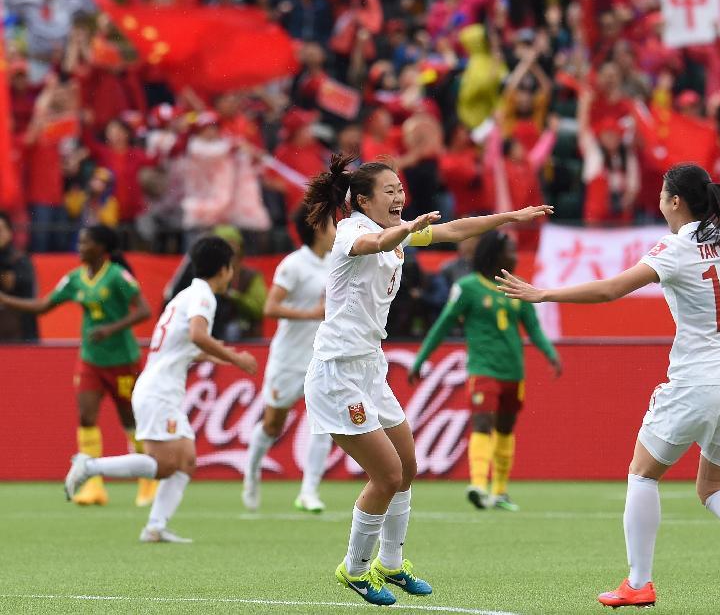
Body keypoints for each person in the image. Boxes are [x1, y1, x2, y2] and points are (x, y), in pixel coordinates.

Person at [497, 164, 720, 613]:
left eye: (662, 195)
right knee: (714, 487)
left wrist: (545, 294)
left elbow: (611, 290)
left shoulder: (675, 247)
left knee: (643, 473)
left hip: (696, 382)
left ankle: (639, 583)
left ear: (675, 202)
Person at [302, 153, 552, 606]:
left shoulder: (399, 234)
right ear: (362, 200)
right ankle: (355, 569)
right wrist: (409, 228)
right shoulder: (352, 231)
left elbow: (456, 230)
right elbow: (374, 246)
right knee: (387, 475)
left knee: (408, 469)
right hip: (337, 373)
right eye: (389, 191)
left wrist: (510, 217)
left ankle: (391, 564)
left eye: (400, 189)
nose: (399, 196)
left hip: (370, 367)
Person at [63, 236, 258, 542]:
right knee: (164, 465)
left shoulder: (186, 295)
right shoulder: (204, 296)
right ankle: (90, 466)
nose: (231, 274)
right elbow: (197, 335)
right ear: (223, 270)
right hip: (158, 392)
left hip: (158, 389)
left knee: (186, 460)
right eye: (231, 268)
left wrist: (216, 353)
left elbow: (182, 345)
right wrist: (236, 357)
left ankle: (155, 526)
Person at [0, 225, 153, 506]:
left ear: (102, 249)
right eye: (80, 242)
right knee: (86, 417)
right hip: (91, 359)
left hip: (122, 359)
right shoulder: (74, 280)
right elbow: (43, 305)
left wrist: (111, 329)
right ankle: (93, 485)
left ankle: (147, 481)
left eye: (85, 243)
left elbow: (144, 310)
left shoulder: (118, 277)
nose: (79, 248)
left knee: (130, 421)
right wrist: (5, 299)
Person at [410, 230, 561, 511]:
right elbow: (443, 324)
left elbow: (534, 329)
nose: (515, 257)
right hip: (483, 369)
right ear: (495, 254)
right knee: (482, 423)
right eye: (511, 251)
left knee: (505, 428)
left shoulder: (518, 288)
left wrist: (550, 354)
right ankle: (479, 485)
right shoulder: (468, 287)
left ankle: (500, 491)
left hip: (513, 372)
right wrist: (420, 360)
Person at [242, 204, 336, 513]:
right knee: (272, 424)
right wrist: (309, 314)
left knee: (324, 423)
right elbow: (270, 307)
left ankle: (309, 491)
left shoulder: (337, 262)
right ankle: (252, 473)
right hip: (288, 358)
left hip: (320, 356)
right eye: (331, 225)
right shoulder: (293, 265)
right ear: (318, 230)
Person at [0, 211, 37, 342]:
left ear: (10, 233)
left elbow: (9, 283)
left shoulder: (20, 260)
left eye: (0, 230)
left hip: (20, 334)